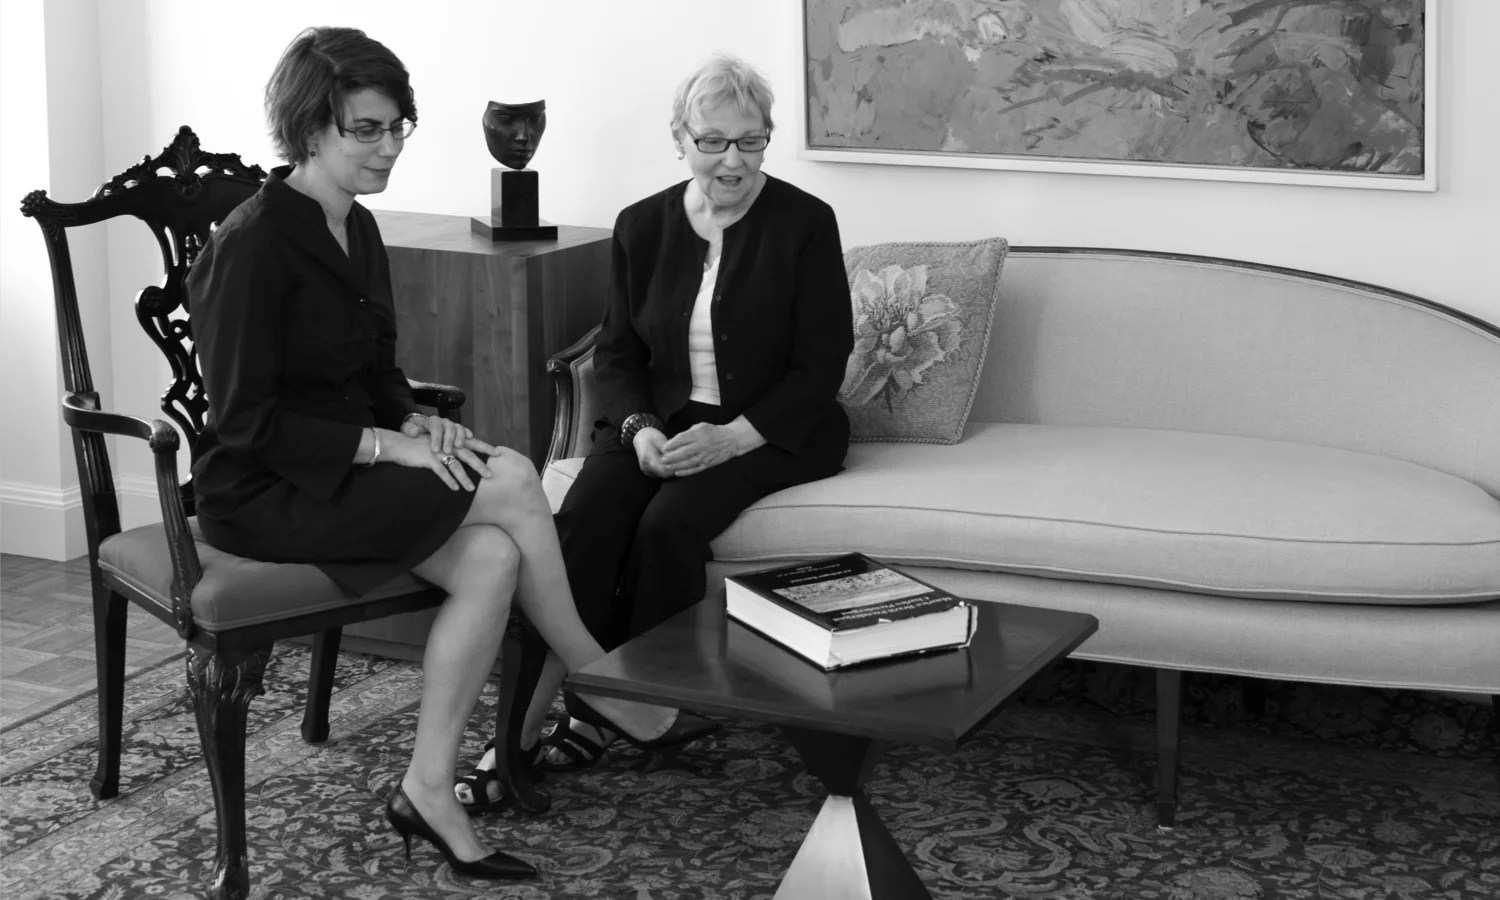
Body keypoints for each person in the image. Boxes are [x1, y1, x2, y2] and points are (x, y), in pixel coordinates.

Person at [189, 26, 709, 881]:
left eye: (399, 127)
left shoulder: (353, 226)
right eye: (368, 129)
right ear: (308, 126)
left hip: (342, 469)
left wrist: (415, 420)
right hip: (266, 490)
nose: (389, 147)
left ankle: (429, 787)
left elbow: (379, 370)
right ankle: (600, 679)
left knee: (492, 556)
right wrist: (385, 443)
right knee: (508, 478)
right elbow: (245, 422)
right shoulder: (249, 245)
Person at [456, 53, 853, 798]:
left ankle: (610, 706)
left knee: (668, 527)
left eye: (751, 141)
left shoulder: (805, 223)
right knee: (580, 526)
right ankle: (514, 736)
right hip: (658, 423)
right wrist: (639, 431)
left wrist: (733, 437)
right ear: (681, 138)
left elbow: (822, 363)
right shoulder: (642, 224)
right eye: (713, 141)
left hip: (772, 428)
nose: (732, 160)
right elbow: (617, 352)